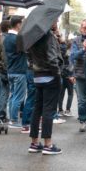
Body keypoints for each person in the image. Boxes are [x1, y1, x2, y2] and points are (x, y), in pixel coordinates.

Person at [26, 21, 63, 155]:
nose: (56, 22)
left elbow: (29, 56)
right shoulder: (48, 37)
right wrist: (57, 75)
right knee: (48, 110)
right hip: (50, 76)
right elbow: (53, 59)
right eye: (55, 20)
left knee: (37, 109)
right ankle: (48, 144)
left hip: (37, 76)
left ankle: (34, 143)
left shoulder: (33, 36)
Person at [3, 16, 28, 129]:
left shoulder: (7, 37)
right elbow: (26, 50)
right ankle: (13, 120)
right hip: (19, 71)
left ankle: (11, 119)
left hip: (11, 70)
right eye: (21, 23)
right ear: (18, 24)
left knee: (12, 96)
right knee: (18, 97)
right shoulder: (17, 38)